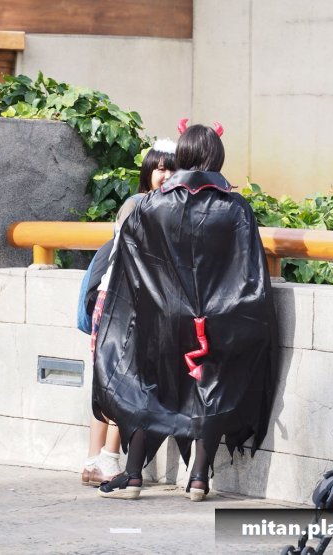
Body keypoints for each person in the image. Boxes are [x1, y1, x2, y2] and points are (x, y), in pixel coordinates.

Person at [92, 121, 278, 501]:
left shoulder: (150, 206)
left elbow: (133, 266)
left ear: (183, 155)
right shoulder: (235, 208)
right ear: (217, 157)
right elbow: (250, 273)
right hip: (216, 320)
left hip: (160, 318)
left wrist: (157, 306)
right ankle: (198, 480)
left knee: (147, 384)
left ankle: (133, 476)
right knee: (210, 388)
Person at [81, 139, 176, 486]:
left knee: (107, 376)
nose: (166, 175)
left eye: (172, 169)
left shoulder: (140, 204)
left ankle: (95, 461)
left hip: (115, 296)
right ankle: (106, 458)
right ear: (148, 171)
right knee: (123, 377)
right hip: (124, 300)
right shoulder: (139, 205)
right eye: (160, 168)